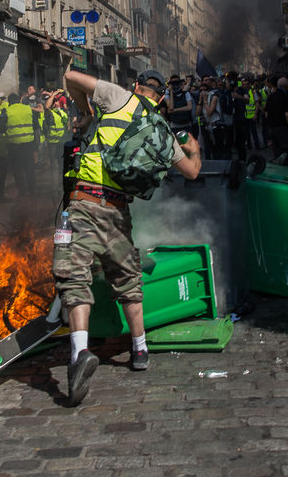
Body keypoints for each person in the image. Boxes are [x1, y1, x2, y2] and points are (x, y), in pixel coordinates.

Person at [56, 67, 203, 406]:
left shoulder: (118, 97)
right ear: (162, 99)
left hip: (85, 203)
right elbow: (193, 172)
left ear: (136, 86)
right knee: (127, 280)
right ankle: (140, 349)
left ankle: (80, 354)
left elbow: (71, 77)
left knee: (74, 277)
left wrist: (85, 113)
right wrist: (193, 147)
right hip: (118, 211)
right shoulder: (163, 132)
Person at [0, 92, 40, 197]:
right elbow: (36, 127)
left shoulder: (6, 111)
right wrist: (36, 145)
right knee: (29, 168)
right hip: (28, 144)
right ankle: (32, 190)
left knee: (17, 169)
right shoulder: (28, 109)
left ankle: (22, 190)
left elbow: (0, 128)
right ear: (18, 100)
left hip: (14, 145)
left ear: (9, 102)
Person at [264, 76, 288, 155]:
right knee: (286, 151)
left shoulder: (270, 97)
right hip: (282, 128)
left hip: (272, 128)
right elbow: (287, 114)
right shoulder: (284, 96)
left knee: (277, 151)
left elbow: (266, 115)